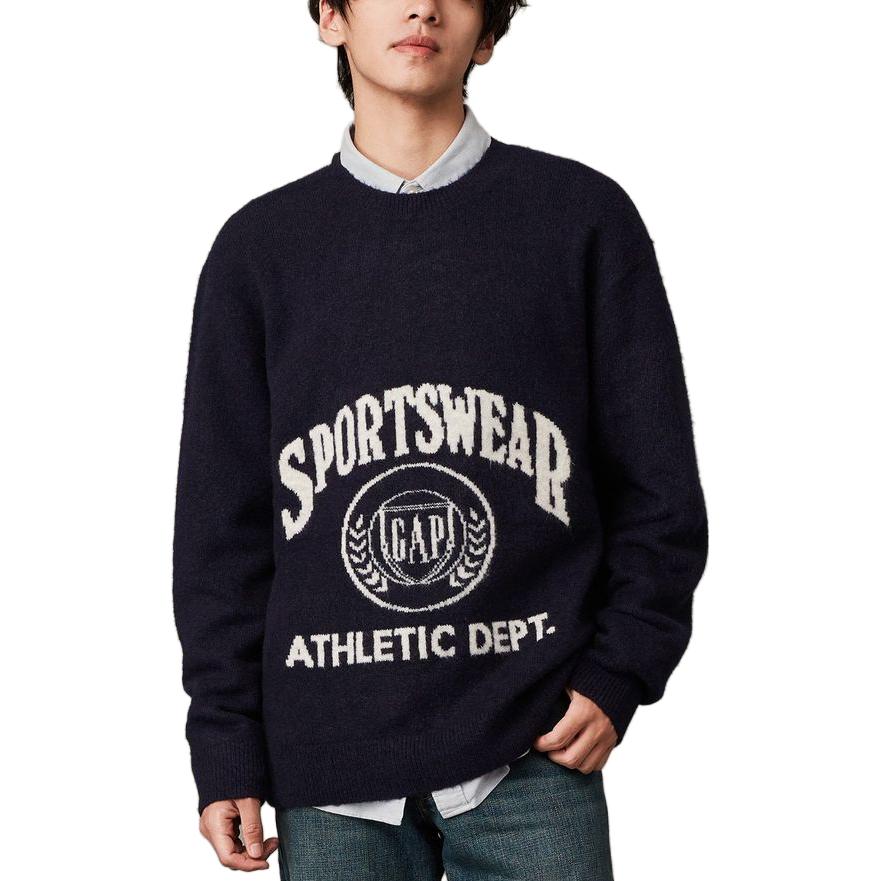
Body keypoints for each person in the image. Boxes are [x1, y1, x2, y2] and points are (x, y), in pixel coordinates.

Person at [171, 1, 709, 877]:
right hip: (329, 764)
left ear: (487, 34)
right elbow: (219, 534)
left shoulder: (579, 219)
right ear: (330, 17)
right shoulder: (259, 251)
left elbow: (657, 488)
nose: (421, 5)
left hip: (534, 750)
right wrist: (225, 744)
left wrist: (621, 670)